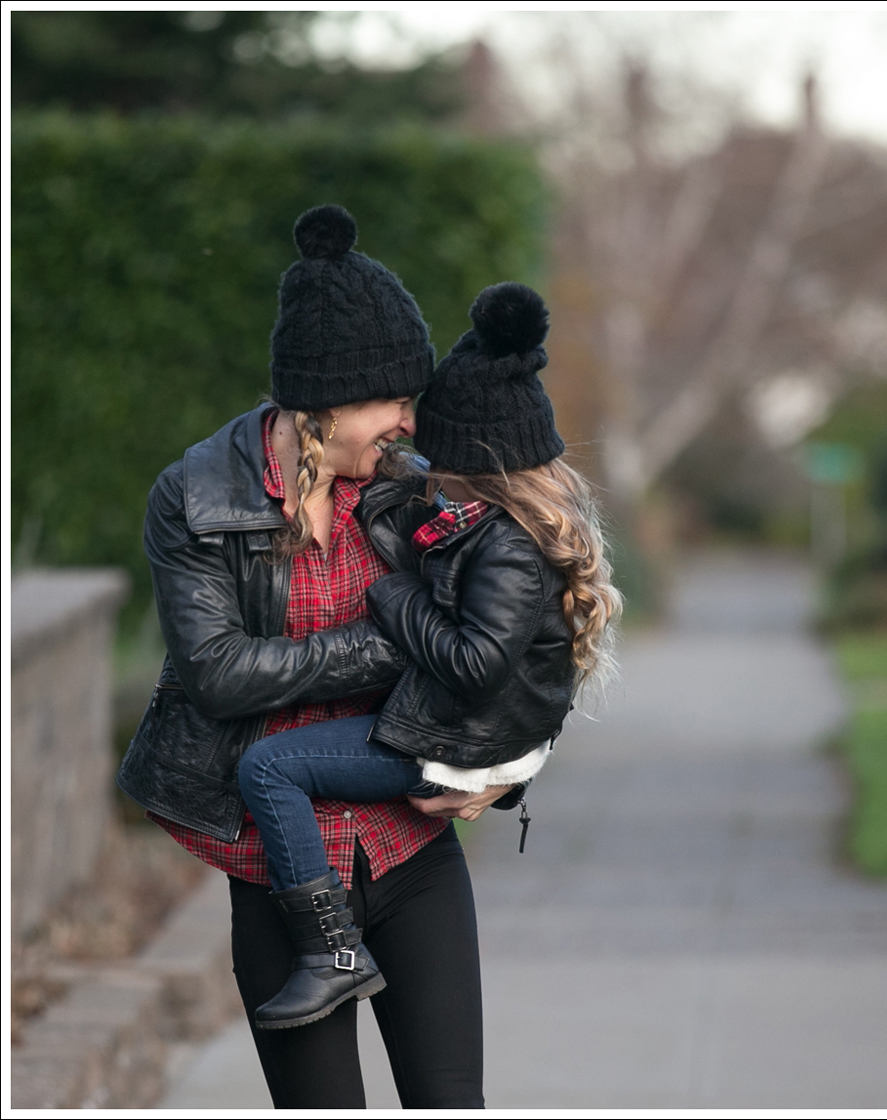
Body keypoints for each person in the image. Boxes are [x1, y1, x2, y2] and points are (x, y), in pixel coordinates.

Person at [117, 204, 502, 1109]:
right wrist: (396, 642)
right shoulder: (195, 497)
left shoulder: (411, 489)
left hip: (413, 856)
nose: (410, 421)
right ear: (324, 403)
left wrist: (505, 772)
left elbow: (503, 641)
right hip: (280, 878)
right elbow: (216, 671)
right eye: (395, 399)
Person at [236, 280, 623, 1031]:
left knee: (269, 765)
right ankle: (333, 950)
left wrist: (393, 597)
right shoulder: (494, 528)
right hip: (459, 735)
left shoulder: (504, 544)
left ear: (471, 468)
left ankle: (331, 956)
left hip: (448, 741)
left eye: (432, 451)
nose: (413, 448)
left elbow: (480, 663)